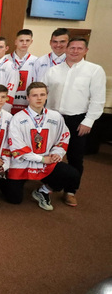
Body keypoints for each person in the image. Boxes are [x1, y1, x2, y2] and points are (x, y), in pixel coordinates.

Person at [42, 38, 106, 206]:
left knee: (75, 157)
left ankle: (70, 191)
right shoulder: (53, 71)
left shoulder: (94, 70)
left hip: (78, 120)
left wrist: (89, 121)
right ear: (66, 49)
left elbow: (98, 99)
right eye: (72, 48)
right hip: (54, 119)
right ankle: (47, 186)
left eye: (79, 48)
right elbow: (43, 94)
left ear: (86, 51)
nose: (75, 51)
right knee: (49, 153)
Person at [4, 82, 80, 210]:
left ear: (46, 96)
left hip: (47, 161)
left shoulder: (56, 117)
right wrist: (42, 159)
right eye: (34, 95)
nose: (39, 98)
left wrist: (57, 153)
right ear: (28, 98)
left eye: (42, 95)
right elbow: (17, 147)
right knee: (14, 199)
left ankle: (44, 191)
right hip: (23, 163)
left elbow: (63, 137)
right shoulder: (18, 118)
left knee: (73, 174)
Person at [10, 29, 37, 114]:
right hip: (7, 102)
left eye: (27, 40)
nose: (24, 43)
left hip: (26, 104)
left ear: (31, 42)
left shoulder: (36, 61)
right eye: (21, 40)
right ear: (16, 42)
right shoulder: (6, 59)